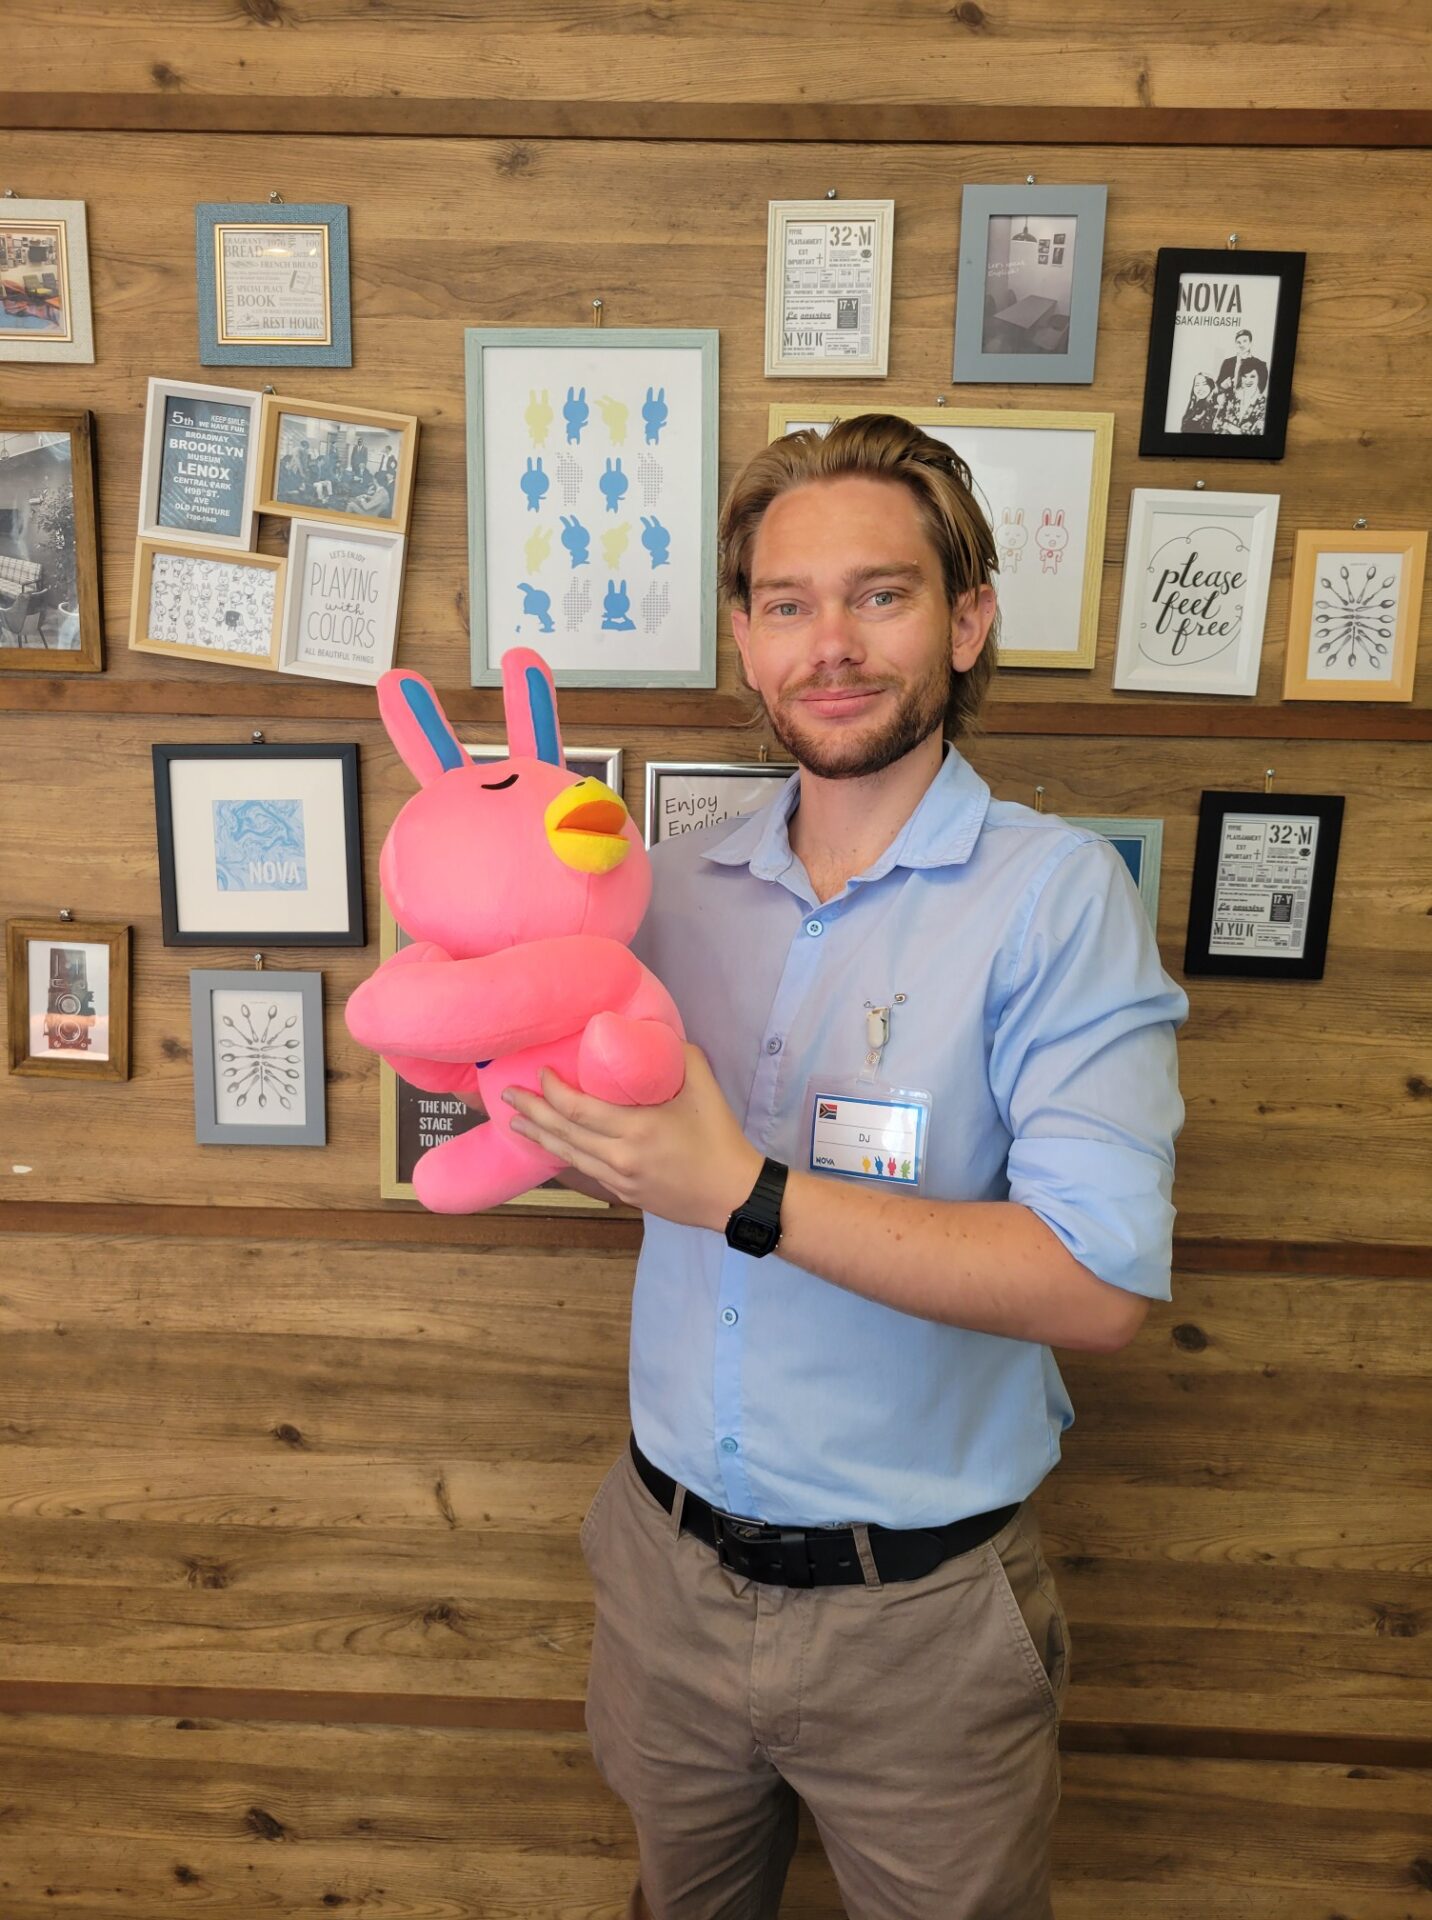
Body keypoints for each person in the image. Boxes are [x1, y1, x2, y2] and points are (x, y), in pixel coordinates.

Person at [504, 414, 1189, 1920]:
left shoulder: (1057, 901)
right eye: (788, 603)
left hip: (921, 1620)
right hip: (664, 1574)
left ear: (968, 622)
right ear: (745, 641)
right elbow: (629, 1160)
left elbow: (1096, 1287)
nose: (832, 646)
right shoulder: (667, 892)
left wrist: (742, 1192)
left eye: (881, 595)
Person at [1214, 328, 1268, 404]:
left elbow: (1260, 389)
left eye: (1244, 341)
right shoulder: (1227, 363)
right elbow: (1218, 385)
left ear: (1251, 343)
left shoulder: (1260, 365)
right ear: (1235, 344)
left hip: (1249, 404)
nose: (1241, 345)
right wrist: (1222, 386)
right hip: (1228, 404)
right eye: (1238, 342)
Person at [1180, 369, 1220, 433]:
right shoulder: (1194, 408)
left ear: (1211, 386)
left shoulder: (1217, 408)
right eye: (1197, 385)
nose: (1200, 388)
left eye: (1204, 384)